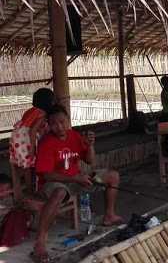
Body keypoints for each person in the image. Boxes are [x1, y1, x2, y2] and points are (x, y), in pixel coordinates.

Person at [33, 105, 121, 262]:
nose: (59, 126)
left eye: (62, 122)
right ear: (49, 124)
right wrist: (74, 179)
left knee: (112, 176)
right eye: (54, 123)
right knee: (59, 192)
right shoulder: (46, 143)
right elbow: (46, 174)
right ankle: (40, 243)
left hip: (77, 179)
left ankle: (109, 215)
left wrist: (90, 145)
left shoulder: (74, 136)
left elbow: (90, 160)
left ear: (68, 121)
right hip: (53, 183)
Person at [9, 88, 55, 193]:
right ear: (48, 102)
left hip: (16, 136)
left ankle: (25, 187)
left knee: (24, 165)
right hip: (24, 138)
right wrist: (33, 148)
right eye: (53, 101)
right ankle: (30, 191)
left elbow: (24, 124)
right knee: (28, 166)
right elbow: (33, 130)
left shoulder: (31, 110)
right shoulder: (42, 114)